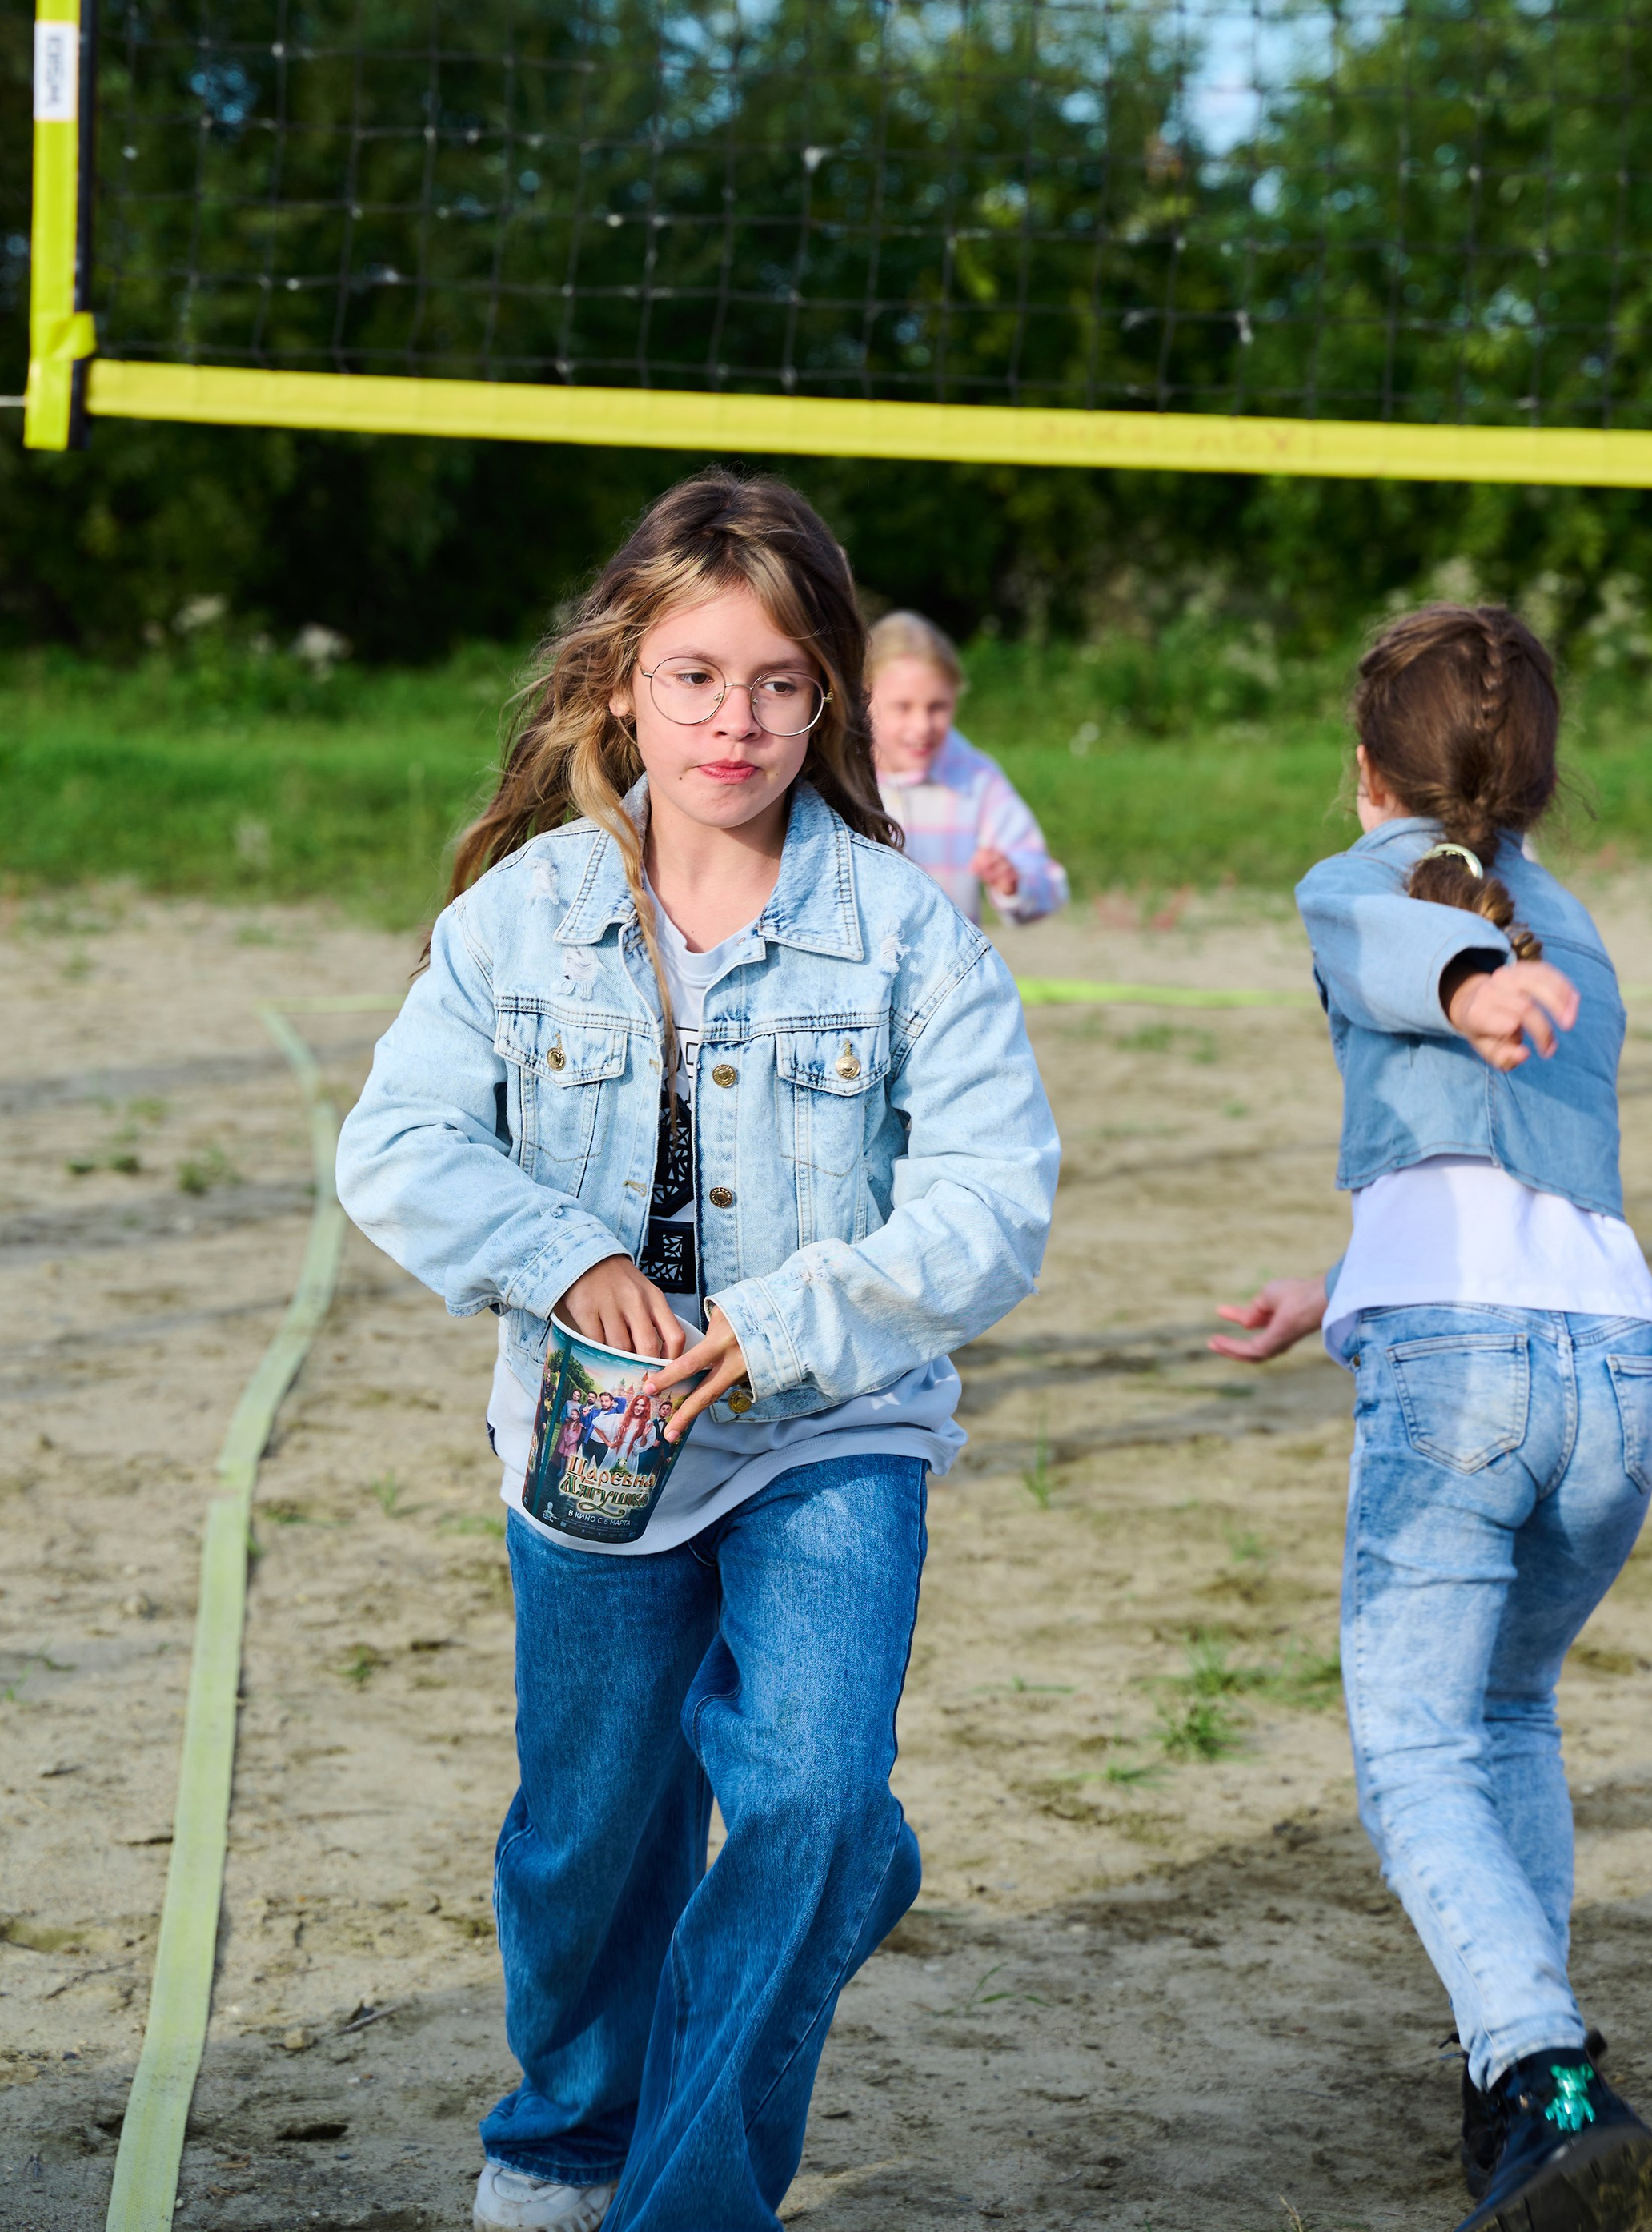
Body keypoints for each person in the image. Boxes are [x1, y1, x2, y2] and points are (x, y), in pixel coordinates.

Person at [335, 472, 1060, 2232]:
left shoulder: (904, 933)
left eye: (777, 682)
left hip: (828, 1426)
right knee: (591, 1838)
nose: (732, 722)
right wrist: (564, 1252)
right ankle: (568, 2135)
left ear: (826, 702)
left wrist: (779, 1328)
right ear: (616, 686)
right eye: (692, 677)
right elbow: (397, 1145)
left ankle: (676, 2196)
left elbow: (991, 1201)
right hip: (585, 1437)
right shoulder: (524, 916)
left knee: (802, 1796)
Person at [1209, 604, 1652, 2232]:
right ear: (1538, 786)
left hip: (1463, 1374)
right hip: (1613, 1363)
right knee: (1505, 1712)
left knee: (1412, 1746)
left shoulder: (1377, 888)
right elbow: (1492, 1168)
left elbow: (1396, 942)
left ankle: (1546, 2072)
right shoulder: (1581, 927)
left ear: (1362, 773)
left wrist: (1467, 976)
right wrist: (1329, 1282)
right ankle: (1510, 2085)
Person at [865, 609, 1069, 928]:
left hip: (950, 973)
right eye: (902, 707)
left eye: (938, 707)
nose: (922, 727)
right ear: (862, 699)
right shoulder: (835, 777)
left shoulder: (975, 778)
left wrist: (1013, 880)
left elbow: (1048, 882)